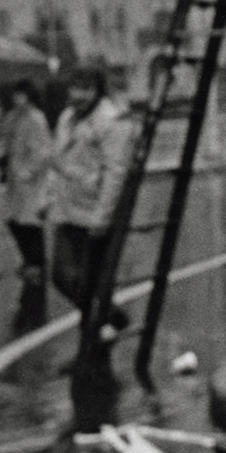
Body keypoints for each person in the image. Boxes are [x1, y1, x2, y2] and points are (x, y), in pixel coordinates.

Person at [49, 59, 135, 342]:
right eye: (75, 87)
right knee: (62, 276)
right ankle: (110, 317)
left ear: (99, 90)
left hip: (93, 210)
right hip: (67, 209)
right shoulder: (67, 118)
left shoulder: (111, 120)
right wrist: (48, 197)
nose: (79, 95)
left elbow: (116, 172)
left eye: (86, 89)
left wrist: (103, 215)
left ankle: (93, 341)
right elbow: (58, 161)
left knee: (90, 281)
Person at [0, 78, 54, 289]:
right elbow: (3, 137)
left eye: (22, 95)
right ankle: (29, 260)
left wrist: (29, 171)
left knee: (30, 222)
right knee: (13, 220)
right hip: (15, 177)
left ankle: (36, 264)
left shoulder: (36, 118)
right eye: (16, 95)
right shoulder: (14, 116)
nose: (18, 99)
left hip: (31, 178)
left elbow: (44, 151)